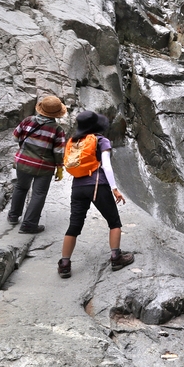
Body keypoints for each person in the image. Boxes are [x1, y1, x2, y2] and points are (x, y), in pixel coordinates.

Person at [58, 110, 134, 278]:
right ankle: (116, 257)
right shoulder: (101, 140)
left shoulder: (75, 141)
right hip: (98, 185)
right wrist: (114, 188)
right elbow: (106, 166)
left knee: (74, 226)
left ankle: (64, 264)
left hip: (77, 187)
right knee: (114, 222)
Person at [9, 95, 68, 234]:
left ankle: (13, 216)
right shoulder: (57, 129)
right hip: (44, 167)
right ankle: (29, 225)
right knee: (39, 194)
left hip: (23, 162)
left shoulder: (27, 121)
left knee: (21, 187)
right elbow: (59, 152)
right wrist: (60, 167)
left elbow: (14, 137)